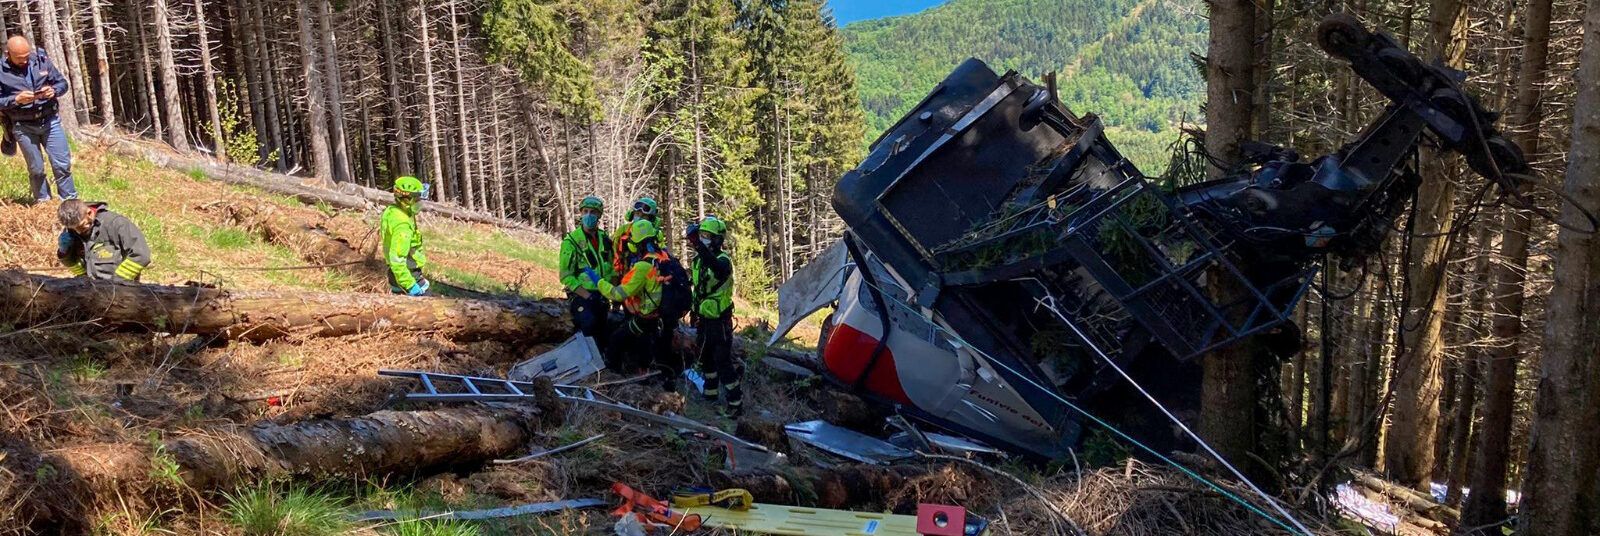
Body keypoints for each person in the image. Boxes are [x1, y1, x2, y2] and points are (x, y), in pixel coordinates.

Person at [584, 219, 675, 389]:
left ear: (637, 244)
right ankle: (647, 379)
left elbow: (618, 294)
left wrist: (598, 281)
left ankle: (612, 380)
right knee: (644, 350)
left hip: (646, 318)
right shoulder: (663, 258)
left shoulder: (643, 267)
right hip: (659, 317)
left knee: (616, 341)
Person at [0, 36, 75, 203]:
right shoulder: (1, 71)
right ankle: (43, 203)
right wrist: (16, 100)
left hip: (50, 120)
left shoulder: (41, 61)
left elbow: (63, 83)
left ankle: (70, 203)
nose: (25, 61)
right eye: (20, 59)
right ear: (8, 54)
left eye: (27, 56)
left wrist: (54, 90)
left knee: (62, 165)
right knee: (36, 169)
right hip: (22, 125)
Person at [687, 216, 740, 416]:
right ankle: (710, 394)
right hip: (704, 318)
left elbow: (717, 271)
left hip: (720, 321)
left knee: (722, 360)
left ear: (717, 239)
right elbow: (699, 288)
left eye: (708, 236)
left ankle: (735, 403)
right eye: (702, 235)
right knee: (706, 358)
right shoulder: (698, 260)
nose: (704, 239)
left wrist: (698, 244)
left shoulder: (722, 260)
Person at [559, 195, 616, 348]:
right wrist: (587, 295)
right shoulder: (571, 241)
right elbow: (566, 275)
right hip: (581, 295)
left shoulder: (605, 240)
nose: (589, 215)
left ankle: (603, 367)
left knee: (602, 333)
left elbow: (611, 267)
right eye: (585, 211)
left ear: (599, 215)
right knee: (587, 326)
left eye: (593, 212)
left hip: (602, 294)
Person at [56, 200, 150, 281]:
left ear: (89, 213)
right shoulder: (71, 230)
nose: (78, 232)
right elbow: (77, 266)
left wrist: (117, 282)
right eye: (74, 228)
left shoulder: (116, 224)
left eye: (81, 226)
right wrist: (65, 254)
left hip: (120, 289)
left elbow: (141, 255)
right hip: (90, 290)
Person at [382, 176, 431, 296]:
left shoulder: (395, 211)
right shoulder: (402, 225)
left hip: (401, 273)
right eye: (417, 199)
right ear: (406, 200)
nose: (420, 203)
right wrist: (410, 285)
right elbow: (397, 259)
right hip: (407, 275)